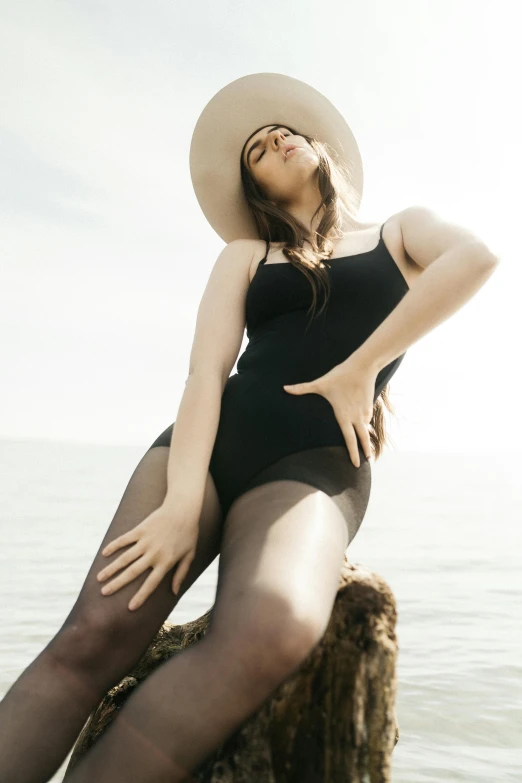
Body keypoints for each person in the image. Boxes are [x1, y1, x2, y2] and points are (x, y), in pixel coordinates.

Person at [0, 72, 499, 783]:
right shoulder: (246, 255)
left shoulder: (401, 231)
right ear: (256, 189)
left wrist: (361, 370)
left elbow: (476, 258)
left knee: (275, 628)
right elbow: (206, 376)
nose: (276, 138)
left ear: (320, 152)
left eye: (286, 132)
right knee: (91, 639)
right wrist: (180, 500)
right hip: (207, 450)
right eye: (259, 148)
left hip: (318, 463)